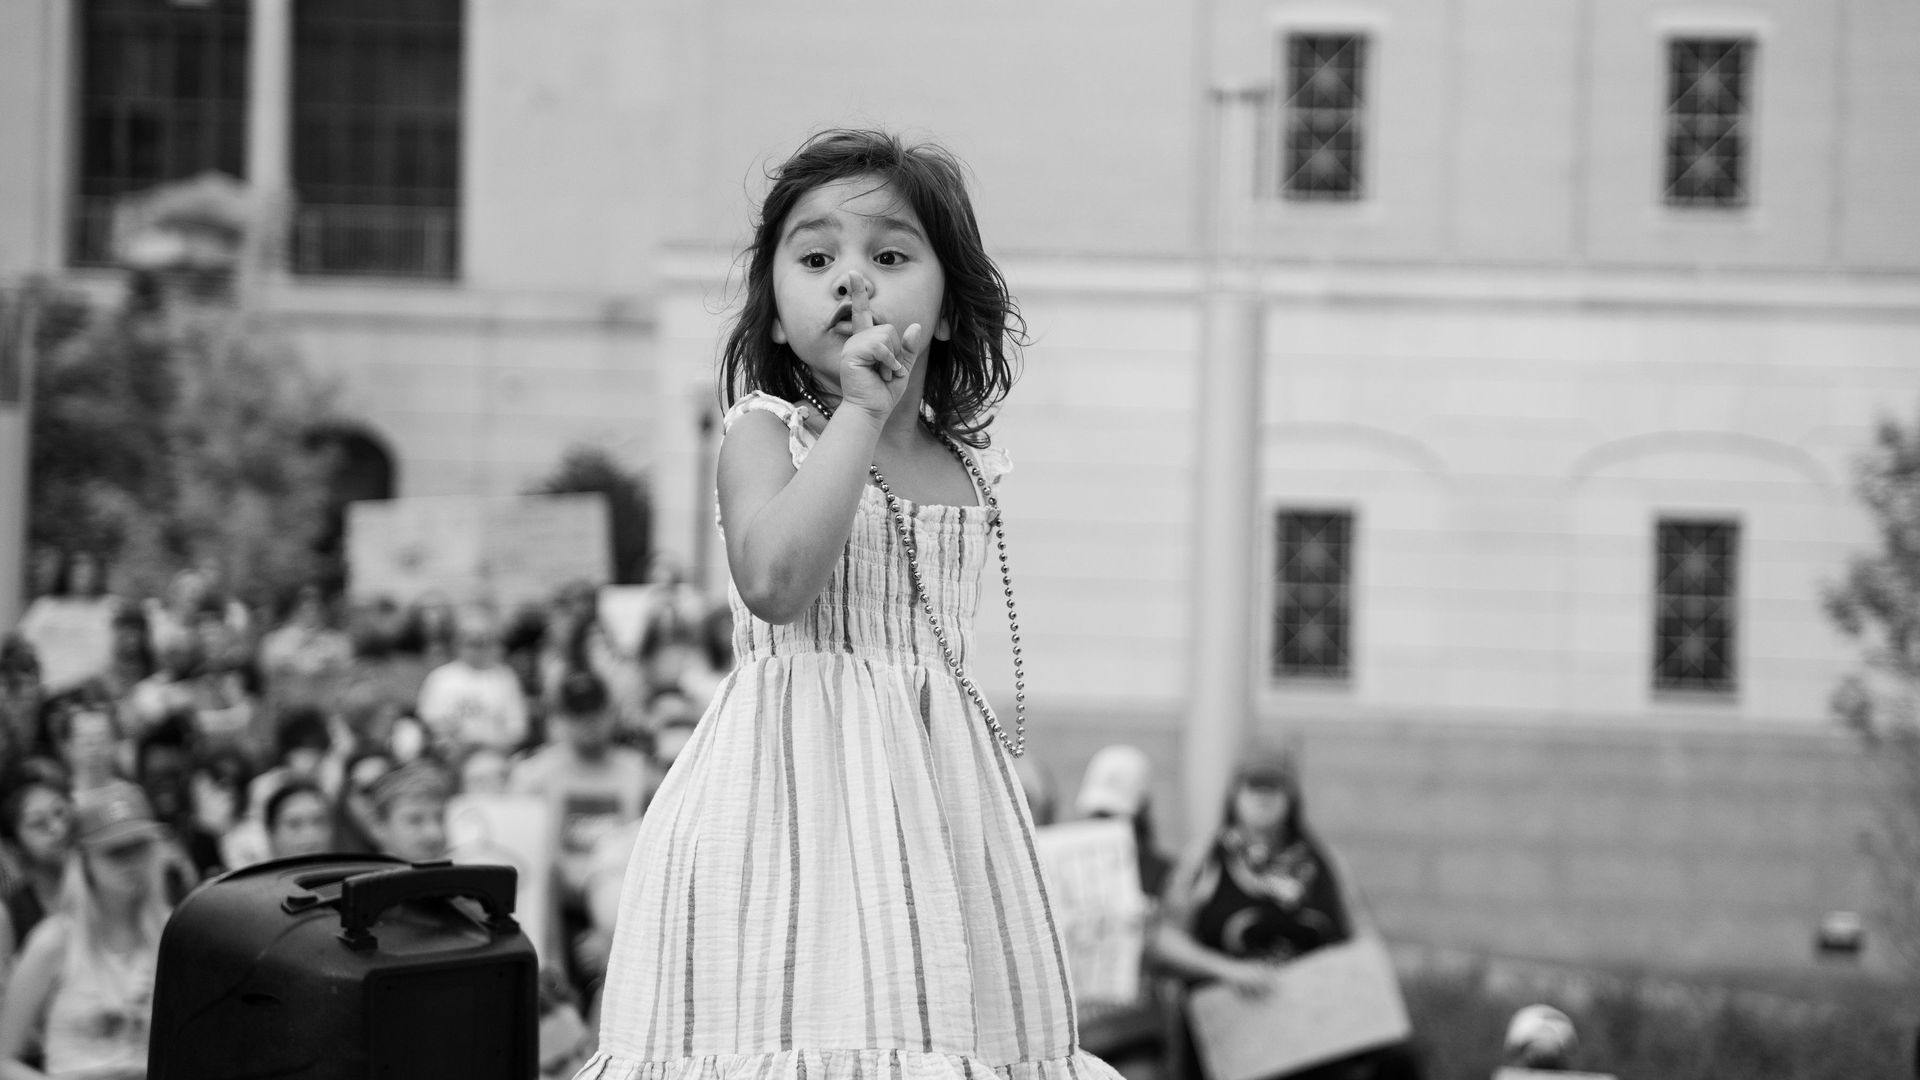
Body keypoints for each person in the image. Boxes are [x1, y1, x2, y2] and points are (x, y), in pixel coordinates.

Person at [581, 128, 1115, 1080]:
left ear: (949, 313)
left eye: (891, 256)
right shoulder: (767, 431)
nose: (852, 281)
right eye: (817, 257)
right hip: (789, 798)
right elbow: (775, 583)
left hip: (936, 804)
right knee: (798, 1024)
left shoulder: (966, 464)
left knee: (941, 1025)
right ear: (778, 319)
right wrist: (861, 415)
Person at [1154, 750, 1420, 1080]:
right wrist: (1230, 970)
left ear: (1291, 797)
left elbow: (1364, 935)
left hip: (1313, 1037)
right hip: (1234, 1035)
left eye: (1274, 789)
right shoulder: (1206, 858)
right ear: (1234, 795)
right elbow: (1165, 940)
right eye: (1254, 787)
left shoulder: (1323, 862)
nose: (1263, 799)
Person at [0, 785, 170, 1080]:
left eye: (139, 845)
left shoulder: (175, 933)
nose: (132, 862)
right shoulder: (52, 941)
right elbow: (3, 1059)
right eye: (116, 851)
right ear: (85, 859)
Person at [415, 611, 528, 756]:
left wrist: (489, 746)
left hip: (495, 754)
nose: (477, 647)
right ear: (457, 642)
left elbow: (517, 730)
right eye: (471, 641)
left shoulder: (505, 677)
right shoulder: (440, 678)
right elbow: (430, 723)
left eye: (483, 641)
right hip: (451, 755)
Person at [0, 776, 73, 976]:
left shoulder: (106, 885)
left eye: (60, 813)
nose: (58, 829)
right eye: (38, 823)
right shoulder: (9, 915)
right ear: (14, 848)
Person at [262, 781, 334, 860]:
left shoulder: (347, 870)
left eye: (319, 822)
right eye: (294, 824)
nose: (310, 835)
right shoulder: (252, 872)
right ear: (271, 831)